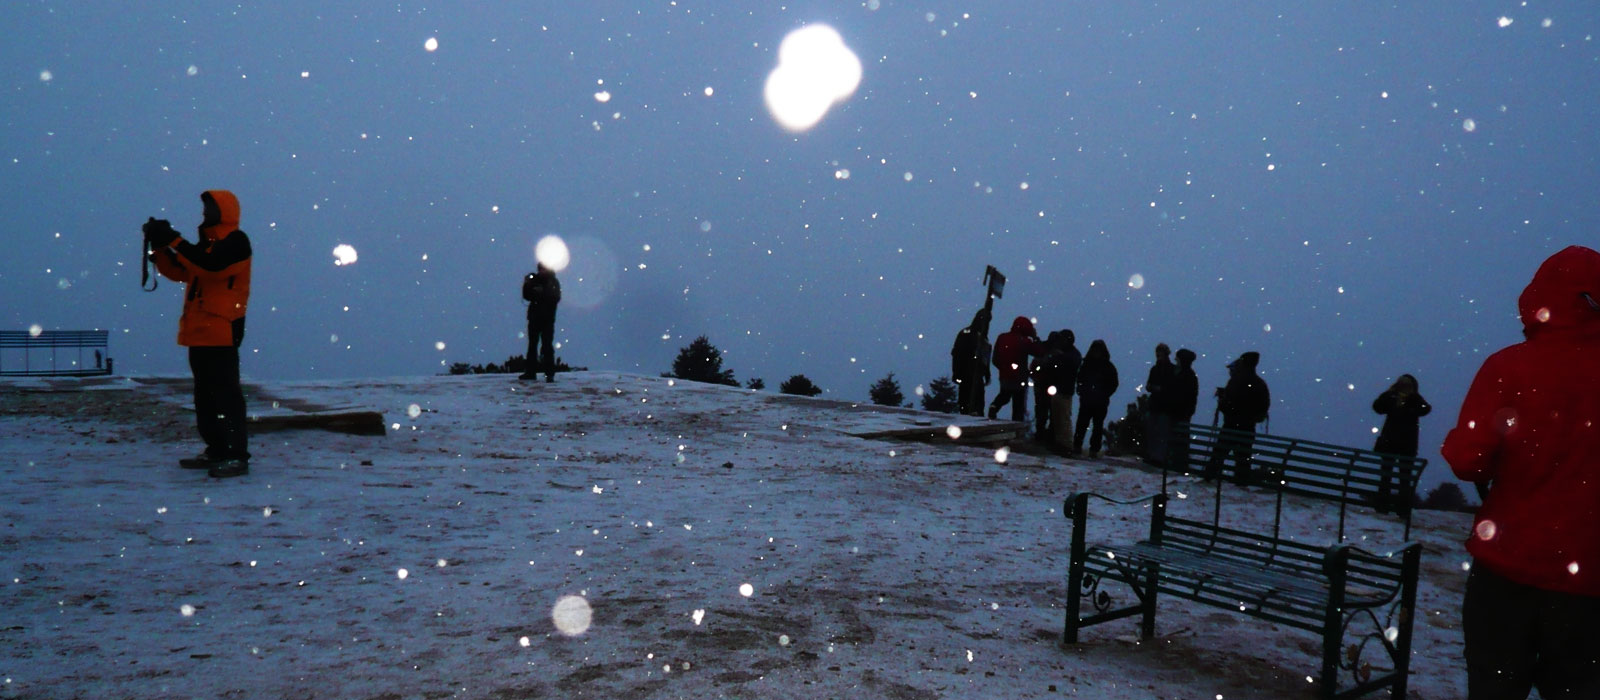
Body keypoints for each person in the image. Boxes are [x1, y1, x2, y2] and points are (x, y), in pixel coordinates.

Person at [1441, 245, 1600, 700]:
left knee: (1494, 686)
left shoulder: (1509, 366)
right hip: (1590, 582)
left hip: (1508, 569)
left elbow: (1468, 459)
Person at [144, 190, 252, 479]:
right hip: (200, 331)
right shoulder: (206, 245)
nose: (205, 214)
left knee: (225, 395)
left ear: (224, 211)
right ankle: (217, 450)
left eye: (210, 208)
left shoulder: (236, 242)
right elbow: (183, 271)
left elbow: (211, 267)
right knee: (206, 396)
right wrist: (160, 249)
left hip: (222, 329)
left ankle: (235, 455)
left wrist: (175, 241)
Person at [1371, 374, 1431, 514]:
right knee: (1398, 477)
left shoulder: (1411, 399)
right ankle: (1396, 507)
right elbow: (1378, 407)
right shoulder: (1398, 398)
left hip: (1396, 442)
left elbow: (1425, 409)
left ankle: (1389, 506)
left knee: (1393, 476)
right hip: (1402, 443)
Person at [1207, 351, 1269, 484]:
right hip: (1247, 427)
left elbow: (1227, 404)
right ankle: (1241, 483)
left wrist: (1223, 402)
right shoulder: (1259, 383)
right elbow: (1264, 406)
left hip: (1230, 425)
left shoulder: (1235, 381)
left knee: (1219, 454)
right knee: (1243, 458)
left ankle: (1209, 476)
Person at [988, 316, 1043, 422]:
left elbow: (995, 359)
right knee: (1018, 404)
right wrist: (1035, 338)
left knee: (1004, 394)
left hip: (1005, 375)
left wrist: (1003, 368)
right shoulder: (1025, 341)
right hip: (1020, 378)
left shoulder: (1002, 337)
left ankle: (994, 406)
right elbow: (1039, 352)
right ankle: (1017, 427)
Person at [1073, 339, 1118, 458]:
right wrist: (1081, 390)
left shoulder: (1107, 366)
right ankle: (1077, 446)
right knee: (1082, 424)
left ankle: (1093, 449)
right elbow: (1080, 378)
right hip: (1088, 400)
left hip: (1099, 401)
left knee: (1097, 426)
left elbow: (1113, 383)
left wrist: (1105, 394)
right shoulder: (1087, 364)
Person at [520, 263, 561, 382]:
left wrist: (541, 293)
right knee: (532, 345)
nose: (541, 271)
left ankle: (549, 374)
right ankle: (530, 372)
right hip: (534, 318)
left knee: (547, 345)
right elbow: (526, 295)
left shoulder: (553, 281)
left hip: (547, 319)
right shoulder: (535, 280)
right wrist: (527, 284)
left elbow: (555, 297)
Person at [950, 309, 992, 416]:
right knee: (967, 405)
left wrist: (986, 373)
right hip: (967, 374)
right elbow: (958, 354)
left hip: (976, 376)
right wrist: (957, 372)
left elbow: (985, 357)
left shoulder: (982, 337)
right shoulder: (968, 334)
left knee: (976, 406)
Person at [1142, 343, 1177, 465]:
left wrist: (1160, 389)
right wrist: (1152, 388)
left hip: (1164, 407)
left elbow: (1171, 388)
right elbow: (1149, 384)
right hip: (1155, 405)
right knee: (1152, 432)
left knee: (1161, 433)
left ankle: (1159, 458)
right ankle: (1152, 455)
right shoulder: (1155, 369)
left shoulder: (1171, 370)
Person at [1030, 331, 1066, 444]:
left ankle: (1044, 435)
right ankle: (1046, 436)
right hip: (1046, 385)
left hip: (1045, 385)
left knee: (1044, 411)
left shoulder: (1044, 351)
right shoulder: (1057, 354)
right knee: (1047, 412)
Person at [1051, 330, 1083, 451]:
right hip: (1058, 388)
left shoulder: (1073, 354)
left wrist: (1060, 357)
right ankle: (1059, 442)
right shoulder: (1066, 353)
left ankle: (1067, 444)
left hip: (1065, 390)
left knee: (1064, 418)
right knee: (1057, 418)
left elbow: (1073, 364)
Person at [1170, 348, 1199, 469]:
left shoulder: (1185, 376)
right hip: (1182, 412)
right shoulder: (1190, 376)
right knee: (1180, 439)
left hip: (1179, 412)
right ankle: (1179, 462)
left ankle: (1178, 463)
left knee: (1178, 440)